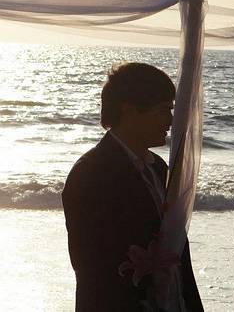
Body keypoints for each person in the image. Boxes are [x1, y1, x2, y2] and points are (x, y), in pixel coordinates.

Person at [62, 63, 203, 312]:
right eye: (162, 111)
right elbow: (94, 269)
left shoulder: (158, 168)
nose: (170, 121)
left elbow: (178, 251)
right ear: (129, 111)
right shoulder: (91, 174)